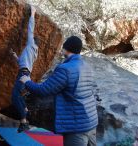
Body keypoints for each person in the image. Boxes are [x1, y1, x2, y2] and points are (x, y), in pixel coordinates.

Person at [20, 36, 98, 146]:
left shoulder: (65, 69)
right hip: (91, 122)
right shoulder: (87, 66)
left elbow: (43, 90)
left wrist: (27, 81)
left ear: (66, 49)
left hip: (76, 127)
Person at [10, 5, 39, 133]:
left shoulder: (31, 45)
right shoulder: (31, 52)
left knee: (15, 97)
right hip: (24, 73)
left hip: (24, 73)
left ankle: (23, 122)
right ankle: (25, 110)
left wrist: (32, 14)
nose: (30, 39)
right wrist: (16, 56)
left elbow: (30, 30)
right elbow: (23, 62)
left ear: (34, 42)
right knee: (18, 95)